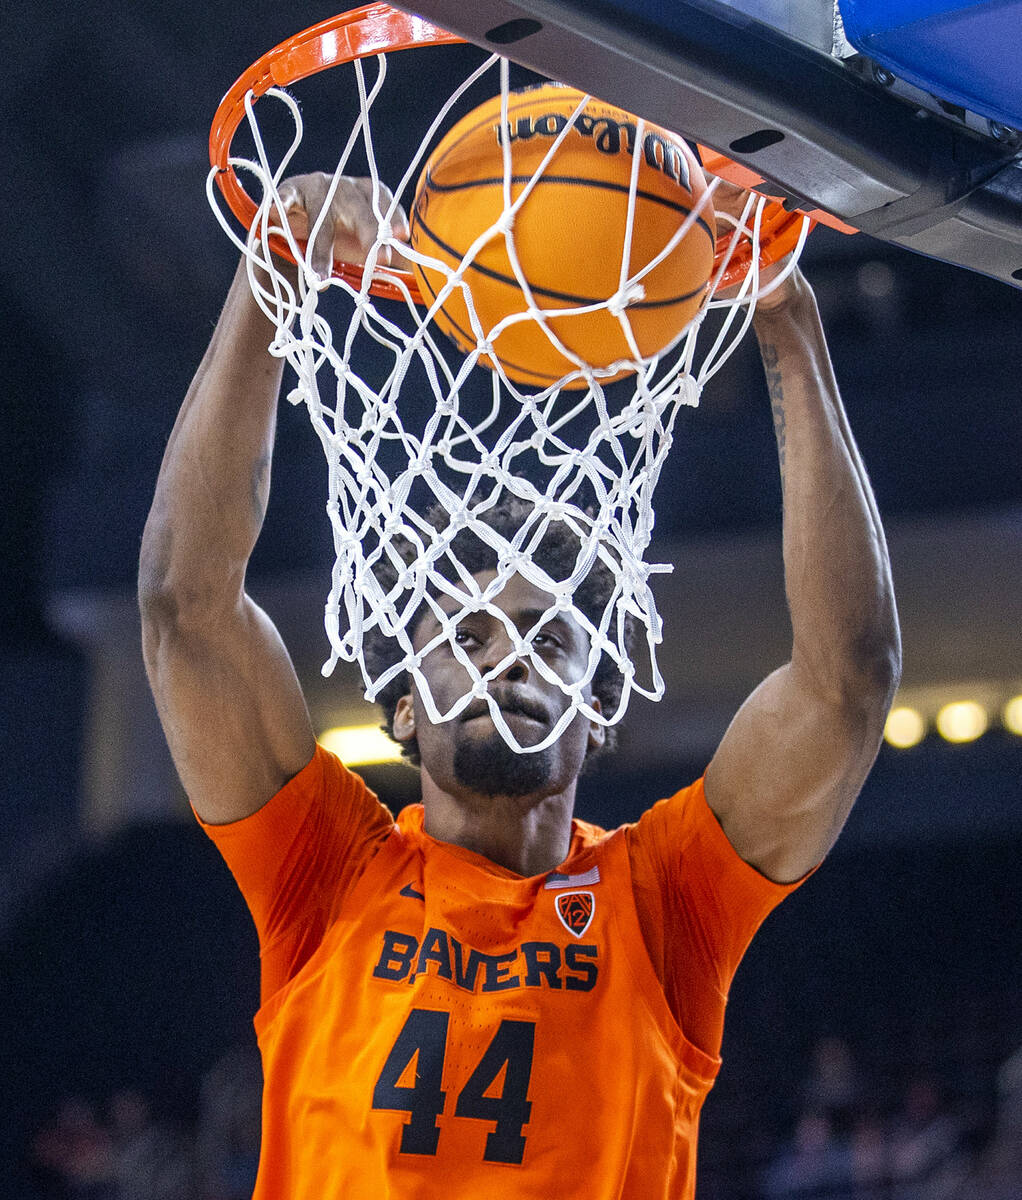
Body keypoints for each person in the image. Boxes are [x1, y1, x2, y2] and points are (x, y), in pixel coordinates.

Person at [138, 171, 900, 1198]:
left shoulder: (664, 904)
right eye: (468, 635)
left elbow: (846, 685)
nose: (510, 658)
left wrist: (786, 316)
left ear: (595, 716)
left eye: (551, 639)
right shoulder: (324, 874)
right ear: (402, 708)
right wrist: (274, 262)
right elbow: (185, 609)